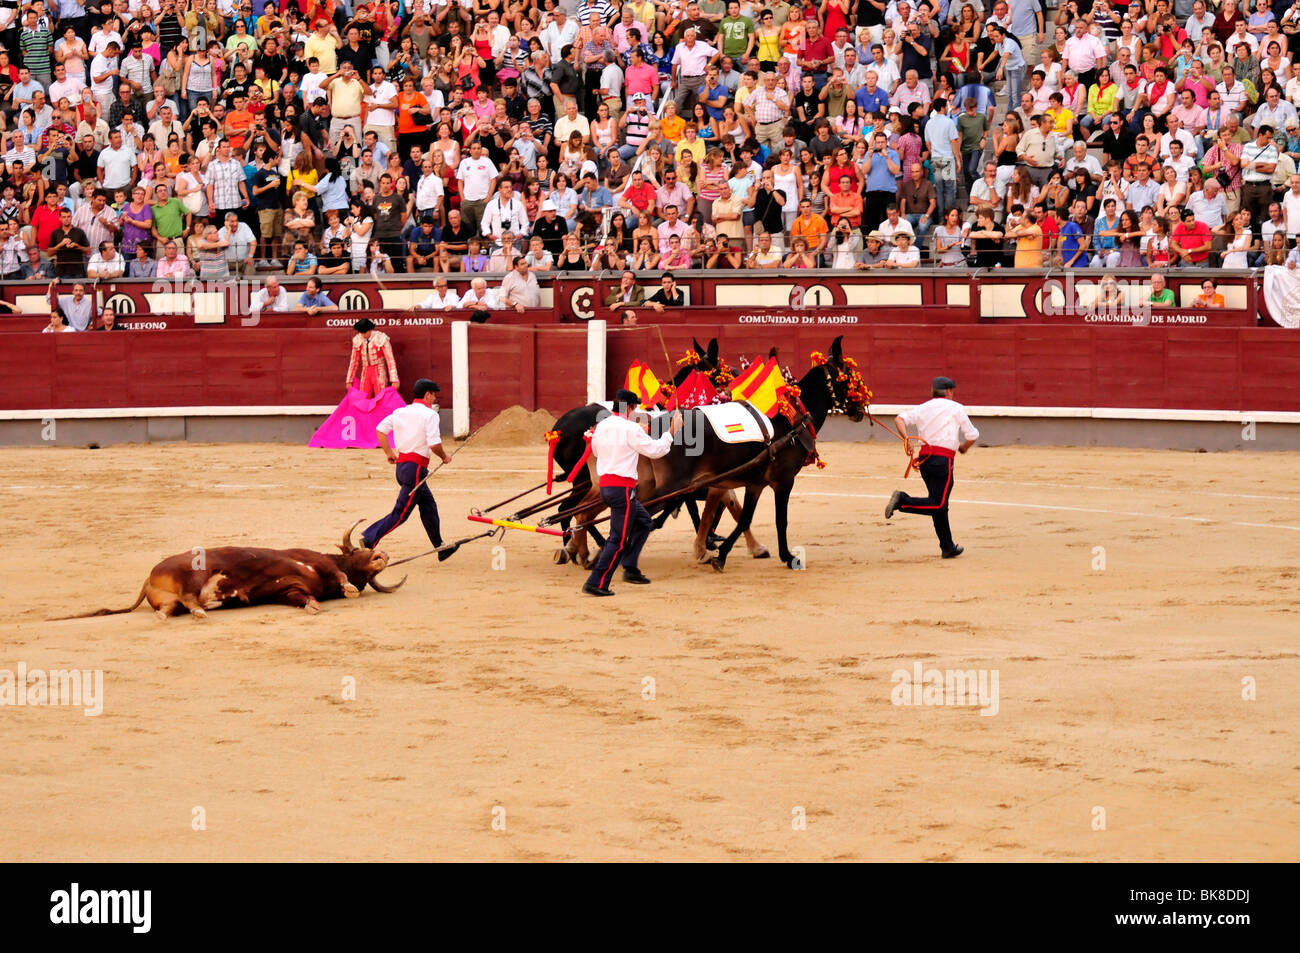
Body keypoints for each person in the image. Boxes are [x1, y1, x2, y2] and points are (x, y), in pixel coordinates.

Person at [582, 389, 684, 597]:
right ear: (630, 407)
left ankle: (630, 566)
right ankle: (596, 582)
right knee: (618, 539)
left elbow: (596, 451)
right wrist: (672, 432)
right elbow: (656, 450)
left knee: (645, 522)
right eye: (634, 408)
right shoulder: (630, 429)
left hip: (607, 487)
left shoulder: (602, 426)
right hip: (623, 490)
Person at [360, 379, 458, 562]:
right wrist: (444, 456)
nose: (435, 398)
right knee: (401, 513)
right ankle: (369, 539)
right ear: (427, 394)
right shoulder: (430, 415)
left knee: (428, 505)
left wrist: (389, 452)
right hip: (416, 470)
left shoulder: (400, 411)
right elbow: (434, 443)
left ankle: (440, 547)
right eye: (434, 394)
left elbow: (380, 430)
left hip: (403, 467)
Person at [884, 376, 980, 559]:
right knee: (938, 503)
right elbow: (973, 434)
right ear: (950, 392)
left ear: (932, 392)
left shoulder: (923, 407)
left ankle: (947, 546)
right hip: (942, 461)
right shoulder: (956, 408)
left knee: (938, 503)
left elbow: (899, 419)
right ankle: (902, 500)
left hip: (925, 461)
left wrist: (907, 438)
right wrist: (964, 447)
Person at [346, 318, 399, 397]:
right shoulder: (357, 339)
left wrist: (394, 379)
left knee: (380, 398)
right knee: (363, 398)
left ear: (370, 329)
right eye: (361, 332)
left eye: (365, 332)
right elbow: (354, 361)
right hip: (365, 371)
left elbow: (390, 360)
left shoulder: (381, 338)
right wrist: (349, 380)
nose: (363, 335)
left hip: (379, 370)